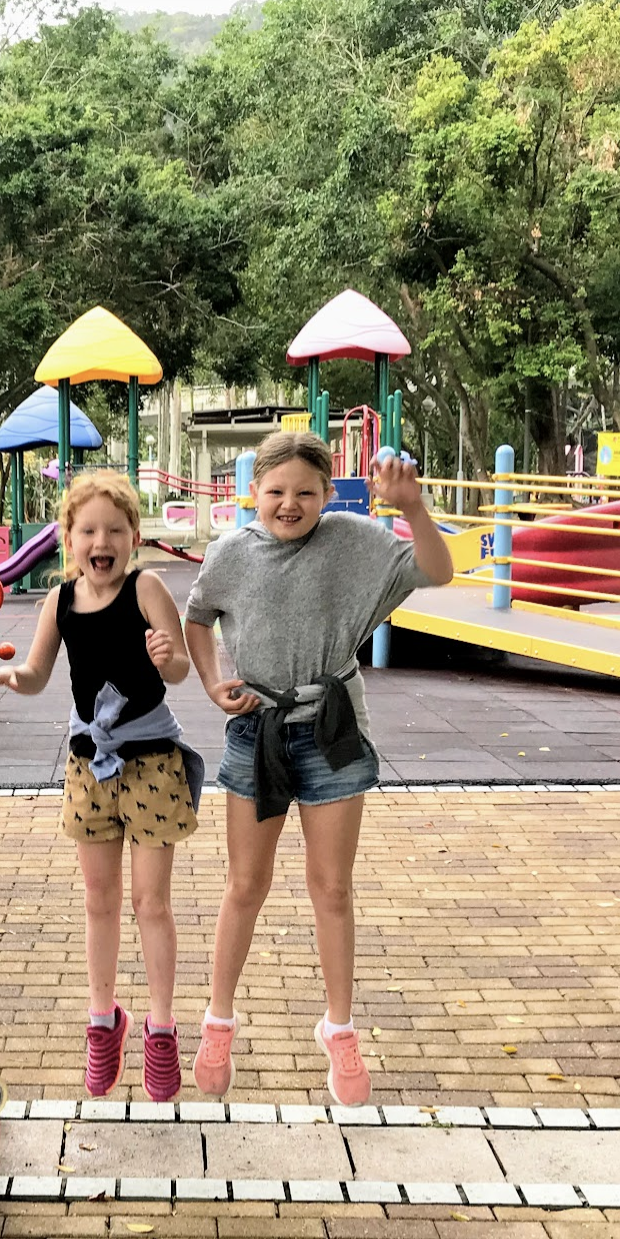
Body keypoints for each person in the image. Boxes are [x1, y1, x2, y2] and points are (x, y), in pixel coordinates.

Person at [183, 432, 454, 1105]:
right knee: (245, 884)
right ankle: (218, 1021)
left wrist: (413, 508)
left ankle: (339, 1027)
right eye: (276, 491)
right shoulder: (230, 553)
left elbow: (437, 570)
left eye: (306, 491)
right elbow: (197, 617)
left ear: (329, 494)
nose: (290, 503)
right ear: (253, 492)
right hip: (258, 730)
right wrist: (212, 682)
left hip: (331, 732)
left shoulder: (353, 542)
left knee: (331, 887)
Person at [0, 471, 201, 1100]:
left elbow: (179, 670)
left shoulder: (146, 588)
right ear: (68, 539)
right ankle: (103, 1022)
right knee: (99, 901)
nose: (101, 542)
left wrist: (169, 658)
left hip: (152, 762)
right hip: (88, 766)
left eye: (115, 530)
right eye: (88, 531)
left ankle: (161, 1029)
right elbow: (37, 672)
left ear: (134, 537)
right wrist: (10, 678)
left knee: (151, 903)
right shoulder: (59, 601)